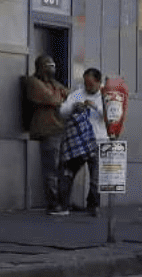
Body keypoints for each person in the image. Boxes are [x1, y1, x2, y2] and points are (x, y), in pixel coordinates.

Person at [25, 55, 70, 215]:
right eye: (47, 65)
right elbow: (50, 98)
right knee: (50, 168)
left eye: (53, 64)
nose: (51, 68)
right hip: (47, 130)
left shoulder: (54, 83)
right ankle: (52, 203)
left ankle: (63, 201)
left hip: (60, 129)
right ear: (39, 67)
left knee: (62, 168)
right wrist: (61, 97)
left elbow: (72, 96)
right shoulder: (32, 81)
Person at [58, 68, 106, 216]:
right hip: (79, 141)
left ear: (98, 83)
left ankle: (93, 205)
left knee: (95, 177)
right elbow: (62, 111)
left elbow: (111, 115)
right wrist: (73, 106)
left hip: (98, 140)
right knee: (68, 172)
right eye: (85, 83)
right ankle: (63, 204)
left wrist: (95, 106)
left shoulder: (106, 95)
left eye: (91, 84)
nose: (87, 87)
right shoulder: (78, 93)